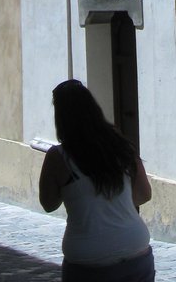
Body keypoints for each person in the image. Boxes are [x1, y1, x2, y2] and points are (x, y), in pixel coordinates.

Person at [38, 79, 154, 282]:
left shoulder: (59, 157)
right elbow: (144, 194)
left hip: (88, 258)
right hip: (134, 248)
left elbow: (48, 204)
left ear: (60, 116)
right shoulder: (120, 146)